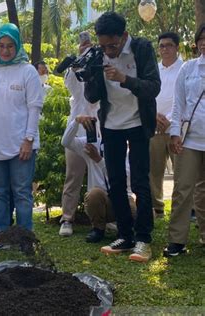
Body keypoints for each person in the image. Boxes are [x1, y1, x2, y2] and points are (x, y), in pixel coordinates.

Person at [84, 12, 160, 262]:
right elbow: (92, 97)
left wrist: (123, 78)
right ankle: (125, 236)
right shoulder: (98, 54)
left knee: (139, 181)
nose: (109, 50)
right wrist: (91, 74)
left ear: (124, 36)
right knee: (115, 181)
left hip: (138, 123)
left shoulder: (141, 48)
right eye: (104, 45)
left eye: (112, 45)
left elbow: (153, 87)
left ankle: (143, 239)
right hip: (111, 126)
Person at [0, 23, 44, 231]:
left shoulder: (28, 71)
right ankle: (1, 236)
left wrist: (28, 140)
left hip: (21, 145)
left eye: (10, 46)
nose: (5, 51)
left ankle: (25, 238)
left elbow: (34, 107)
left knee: (22, 192)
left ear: (18, 46)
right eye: (1, 46)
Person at [163, 24, 205, 257]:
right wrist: (175, 134)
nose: (204, 42)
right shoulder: (188, 69)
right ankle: (177, 241)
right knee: (182, 189)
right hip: (190, 140)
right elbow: (179, 105)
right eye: (201, 38)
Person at [62, 116, 136, 243]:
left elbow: (124, 175)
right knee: (94, 194)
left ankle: (124, 229)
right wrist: (76, 121)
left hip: (123, 198)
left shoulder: (124, 147)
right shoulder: (92, 144)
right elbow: (66, 142)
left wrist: (99, 160)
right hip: (100, 201)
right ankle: (98, 229)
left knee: (133, 206)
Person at [59, 32, 99, 237]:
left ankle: (102, 219)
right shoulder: (74, 71)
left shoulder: (100, 69)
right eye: (83, 48)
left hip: (99, 130)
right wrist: (77, 64)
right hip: (76, 130)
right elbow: (74, 89)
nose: (86, 51)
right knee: (73, 176)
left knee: (100, 176)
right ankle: (67, 218)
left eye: (89, 48)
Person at [150, 32, 183, 218]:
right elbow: (148, 95)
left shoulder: (184, 69)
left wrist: (170, 119)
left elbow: (186, 99)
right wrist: (154, 116)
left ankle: (185, 208)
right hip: (155, 127)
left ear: (177, 47)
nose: (165, 49)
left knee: (181, 170)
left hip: (176, 129)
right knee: (154, 170)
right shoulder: (154, 70)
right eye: (161, 46)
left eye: (169, 45)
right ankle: (158, 207)